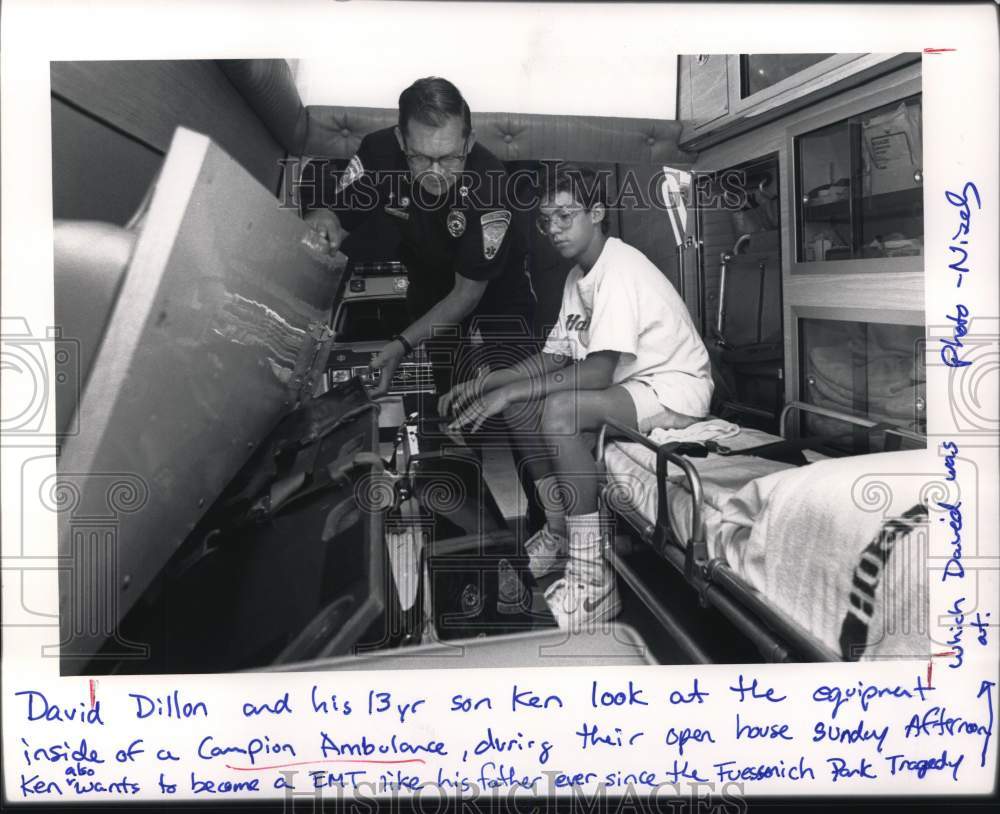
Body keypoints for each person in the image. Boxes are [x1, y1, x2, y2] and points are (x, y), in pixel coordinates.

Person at [440, 164, 714, 630]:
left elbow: (596, 371)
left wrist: (508, 393)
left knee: (561, 411)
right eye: (546, 221)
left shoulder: (620, 268)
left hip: (674, 386)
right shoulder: (577, 278)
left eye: (565, 216)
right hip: (633, 385)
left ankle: (593, 579)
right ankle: (560, 529)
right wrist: (489, 383)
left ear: (597, 212)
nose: (553, 230)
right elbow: (554, 357)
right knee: (525, 407)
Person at [302, 77, 536, 401]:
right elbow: (336, 219)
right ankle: (458, 444)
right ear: (401, 139)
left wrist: (400, 345)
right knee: (449, 384)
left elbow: (466, 294)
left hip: (495, 286)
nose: (435, 173)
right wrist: (323, 221)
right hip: (428, 277)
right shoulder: (378, 152)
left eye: (450, 158)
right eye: (421, 158)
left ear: (469, 142)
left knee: (512, 388)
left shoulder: (490, 188)